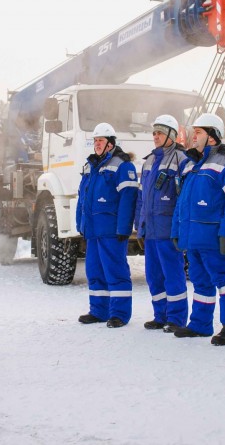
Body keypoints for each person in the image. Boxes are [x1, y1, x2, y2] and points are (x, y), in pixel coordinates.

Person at [171, 113, 225, 346]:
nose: (194, 137)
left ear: (212, 137)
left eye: (199, 132)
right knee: (200, 281)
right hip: (193, 237)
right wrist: (177, 230)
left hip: (214, 237)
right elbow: (182, 202)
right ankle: (200, 324)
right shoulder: (190, 164)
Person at [76, 122, 139, 328]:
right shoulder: (91, 166)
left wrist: (123, 228)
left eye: (101, 140)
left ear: (111, 144)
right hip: (93, 230)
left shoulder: (123, 165)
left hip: (111, 230)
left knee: (115, 271)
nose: (97, 144)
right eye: (95, 141)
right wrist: (81, 223)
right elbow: (82, 197)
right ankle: (98, 311)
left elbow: (128, 199)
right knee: (94, 270)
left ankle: (119, 314)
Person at [134, 115, 190, 333]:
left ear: (171, 135)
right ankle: (160, 315)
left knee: (173, 273)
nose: (155, 136)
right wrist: (140, 224)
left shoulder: (181, 159)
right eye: (154, 132)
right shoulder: (149, 161)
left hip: (168, 229)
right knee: (153, 275)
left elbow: (184, 197)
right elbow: (141, 197)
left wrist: (180, 227)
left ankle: (176, 318)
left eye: (159, 132)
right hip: (151, 230)